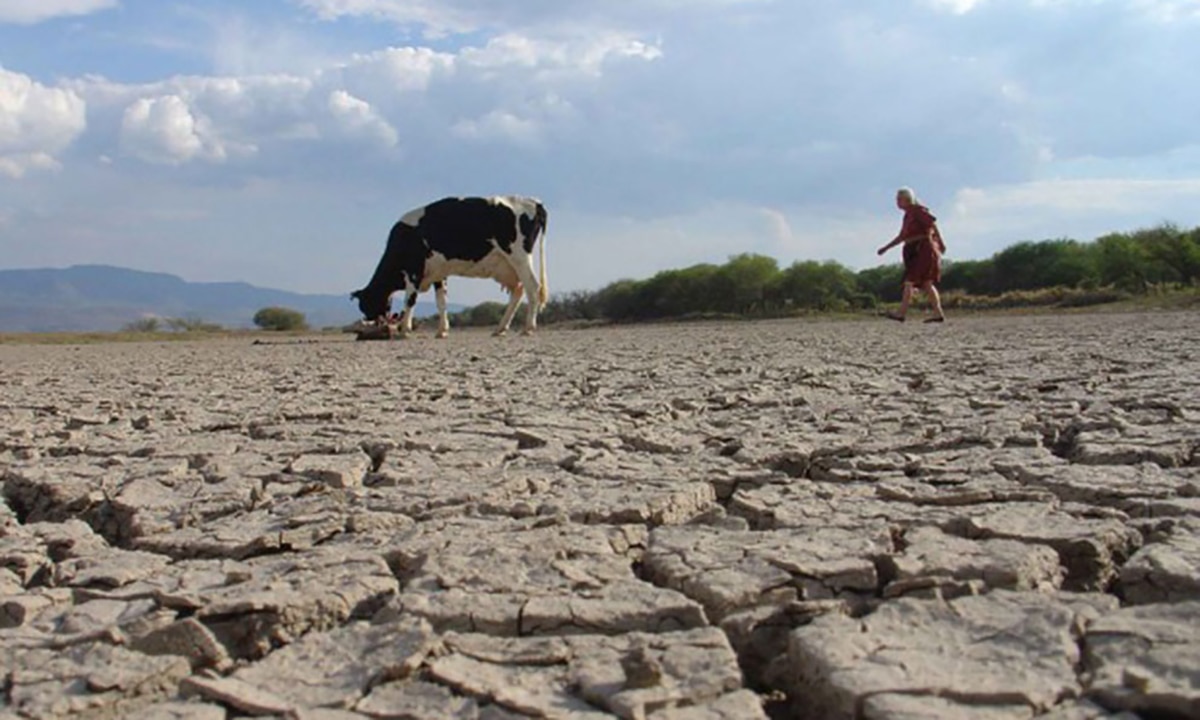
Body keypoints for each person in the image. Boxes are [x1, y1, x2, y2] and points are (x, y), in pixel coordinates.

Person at [877, 186, 946, 323]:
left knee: (910, 281)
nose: (897, 202)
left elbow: (932, 223)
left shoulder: (918, 211)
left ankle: (901, 313)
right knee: (926, 283)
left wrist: (941, 242)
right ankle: (938, 314)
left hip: (923, 249)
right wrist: (886, 248)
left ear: (907, 199)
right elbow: (902, 236)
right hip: (912, 249)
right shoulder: (908, 215)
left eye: (899, 199)